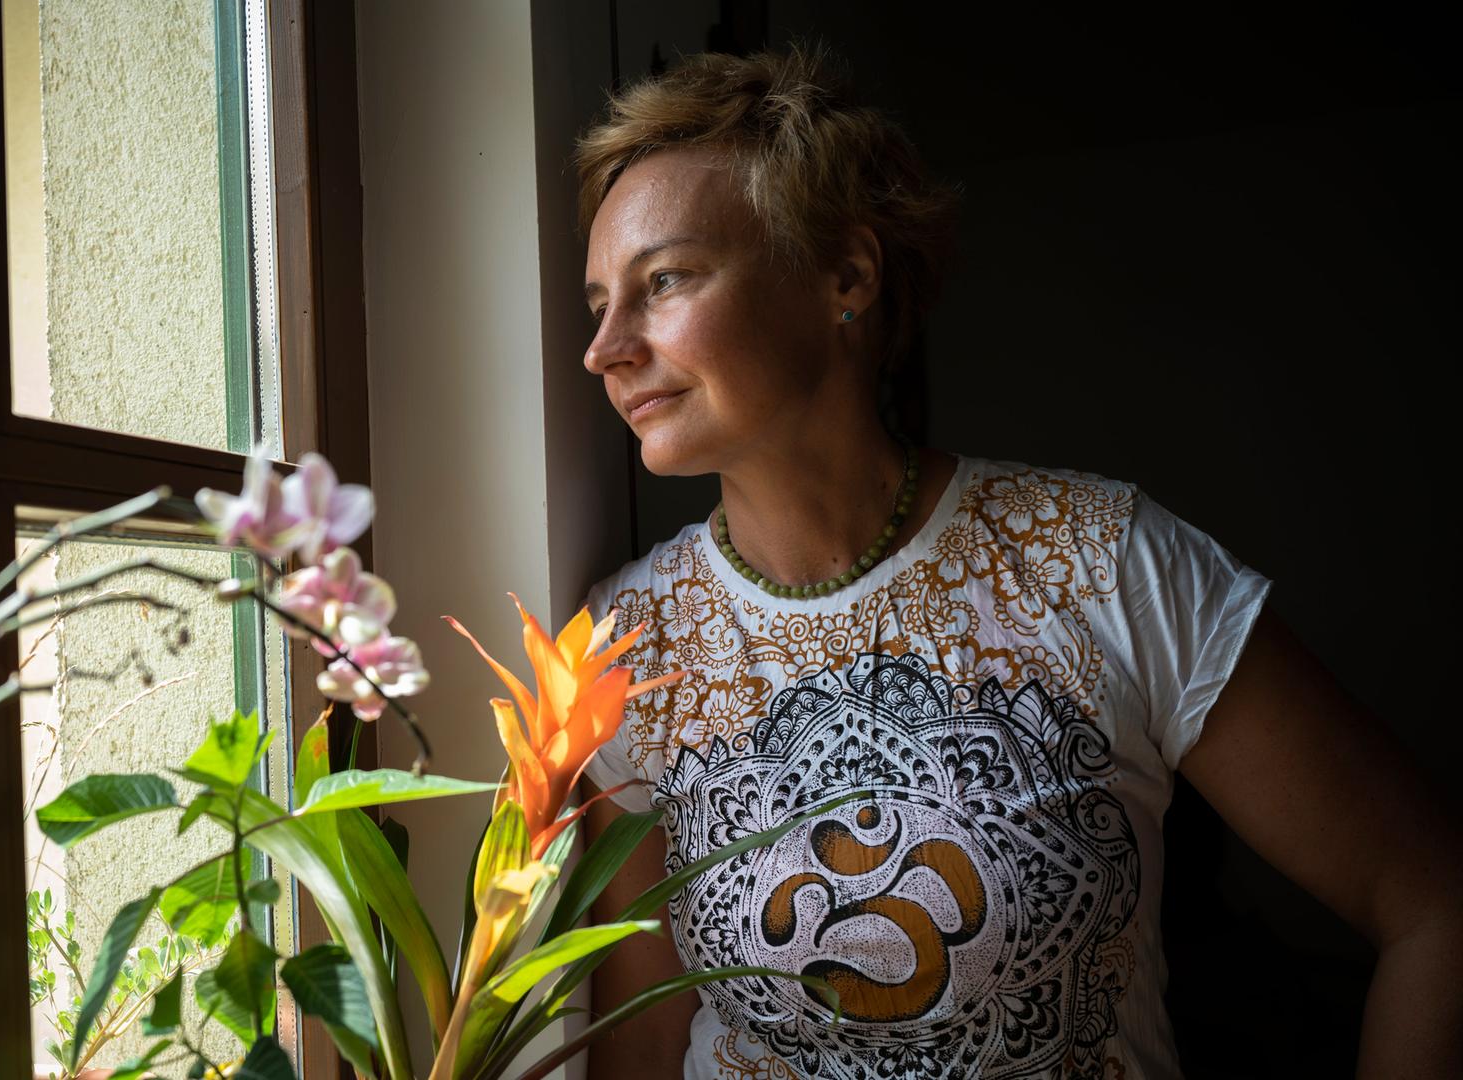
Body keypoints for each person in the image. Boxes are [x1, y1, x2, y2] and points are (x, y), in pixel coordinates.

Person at [573, 45, 1463, 1079]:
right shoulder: (627, 642)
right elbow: (637, 1046)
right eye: (599, 302)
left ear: (845, 276)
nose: (605, 349)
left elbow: (1432, 902)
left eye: (665, 280)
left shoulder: (1105, 560)